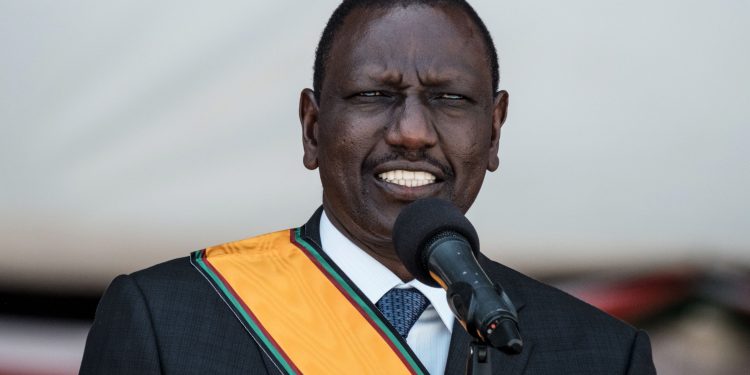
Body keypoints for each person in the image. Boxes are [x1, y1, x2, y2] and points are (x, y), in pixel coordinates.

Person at [80, 1, 656, 374]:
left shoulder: (603, 356)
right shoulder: (166, 320)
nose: (411, 133)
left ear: (495, 130)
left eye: (449, 98)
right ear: (312, 128)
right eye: (373, 95)